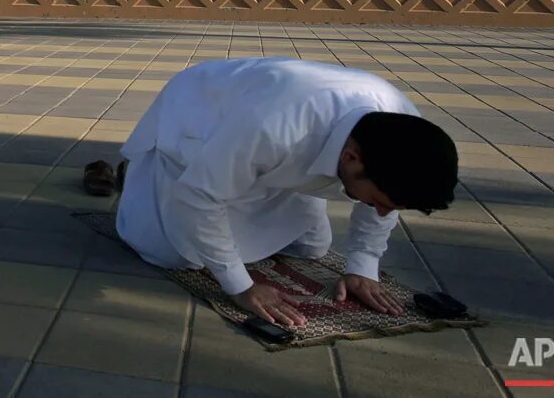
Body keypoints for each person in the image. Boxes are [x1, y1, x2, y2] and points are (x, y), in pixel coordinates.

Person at [112, 57, 458, 328]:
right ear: (350, 158)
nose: (382, 212)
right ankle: (142, 172)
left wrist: (363, 266)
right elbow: (199, 197)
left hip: (271, 151)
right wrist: (240, 287)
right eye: (380, 203)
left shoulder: (401, 126)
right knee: (179, 255)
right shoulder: (275, 127)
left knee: (312, 247)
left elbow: (390, 194)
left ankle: (251, 181)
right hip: (201, 117)